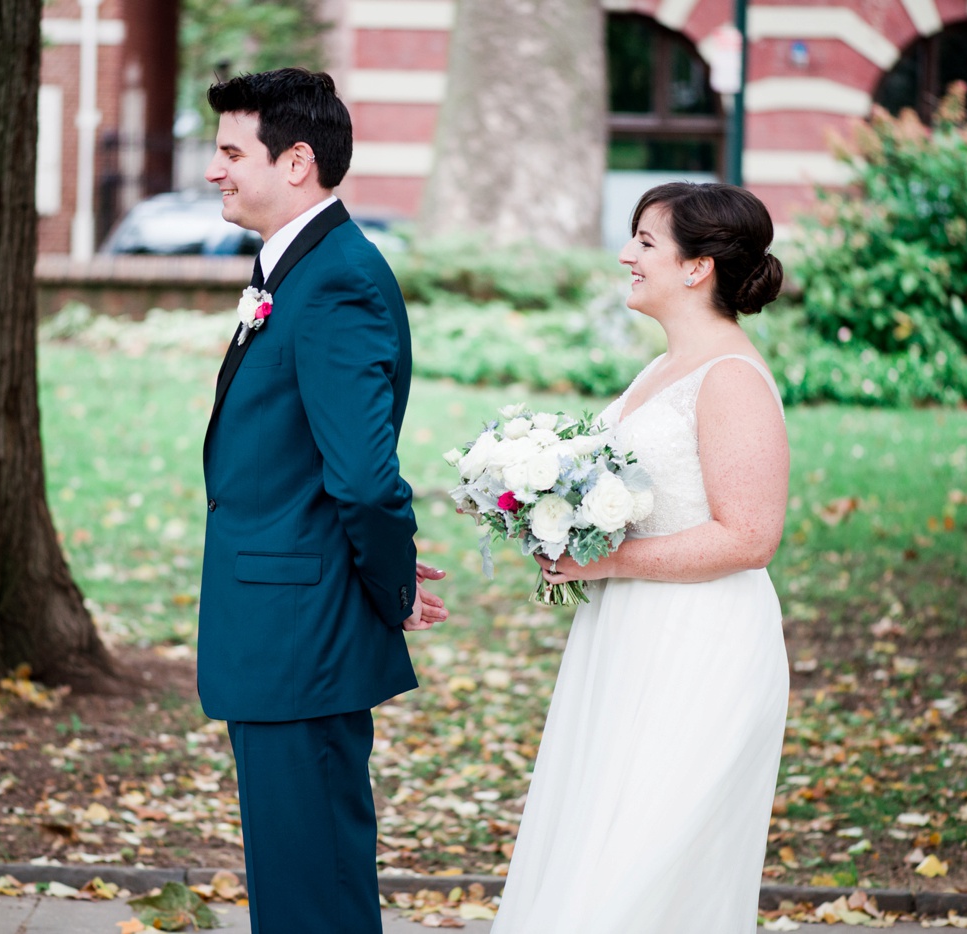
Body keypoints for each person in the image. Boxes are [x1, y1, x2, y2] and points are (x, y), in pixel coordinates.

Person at [491, 182, 790, 933]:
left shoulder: (729, 377)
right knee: (599, 840)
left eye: (646, 243)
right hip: (628, 639)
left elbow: (750, 535)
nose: (626, 255)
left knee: (646, 864)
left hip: (701, 647)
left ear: (697, 268)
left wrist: (606, 562)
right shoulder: (665, 368)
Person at [197, 68, 447, 934]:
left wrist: (393, 587)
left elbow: (366, 480)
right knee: (295, 873)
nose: (213, 169)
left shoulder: (336, 280)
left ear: (296, 161)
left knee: (314, 884)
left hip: (301, 631)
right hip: (280, 624)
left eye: (231, 151)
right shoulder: (299, 269)